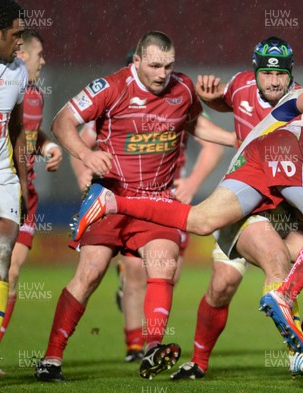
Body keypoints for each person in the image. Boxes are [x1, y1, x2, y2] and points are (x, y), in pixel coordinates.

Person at [70, 107, 303, 373]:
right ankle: (298, 311)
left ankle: (110, 201)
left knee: (202, 220)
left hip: (263, 157)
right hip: (294, 149)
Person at [34, 31, 233, 382]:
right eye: (155, 65)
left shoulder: (182, 87)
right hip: (110, 197)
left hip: (157, 198)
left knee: (164, 265)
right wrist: (85, 154)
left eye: (169, 66)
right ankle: (51, 359)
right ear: (137, 62)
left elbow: (194, 121)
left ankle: (151, 347)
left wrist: (236, 138)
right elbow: (61, 121)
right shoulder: (110, 87)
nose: (162, 73)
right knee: (90, 272)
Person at [178, 38, 303, 378]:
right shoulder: (239, 86)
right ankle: (197, 362)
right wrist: (213, 104)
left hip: (281, 206)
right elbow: (225, 106)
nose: (273, 81)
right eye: (266, 73)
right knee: (222, 285)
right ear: (255, 72)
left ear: (291, 75)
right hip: (243, 198)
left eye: (280, 74)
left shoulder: (302, 101)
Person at [69, 52, 225, 364]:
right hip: (123, 197)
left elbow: (211, 142)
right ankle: (137, 346)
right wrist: (84, 172)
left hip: (167, 200)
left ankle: (147, 335)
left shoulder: (176, 103)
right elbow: (80, 139)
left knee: (169, 271)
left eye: (165, 69)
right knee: (134, 273)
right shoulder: (117, 105)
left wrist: (192, 182)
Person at [0, 29, 63, 351]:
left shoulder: (34, 94)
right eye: (40, 55)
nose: (44, 61)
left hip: (26, 196)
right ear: (22, 55)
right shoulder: (1, 87)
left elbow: (30, 134)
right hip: (1, 188)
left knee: (12, 271)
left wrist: (49, 147)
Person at [0, 0, 28, 382]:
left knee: (0, 253)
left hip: (0, 175)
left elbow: (16, 128)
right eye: (15, 35)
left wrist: (25, 182)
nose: (20, 43)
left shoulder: (18, 70)